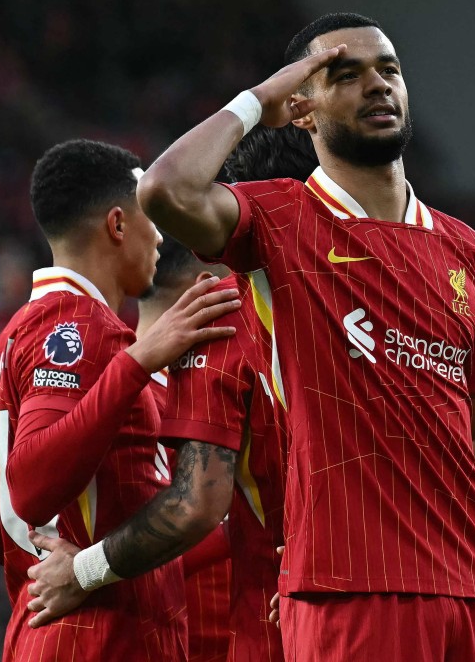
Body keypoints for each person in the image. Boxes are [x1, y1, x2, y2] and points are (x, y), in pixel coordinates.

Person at [135, 11, 475, 661]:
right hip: (349, 594)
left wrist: (423, 528)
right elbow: (166, 190)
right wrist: (259, 100)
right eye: (346, 75)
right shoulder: (279, 218)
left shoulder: (470, 254)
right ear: (305, 110)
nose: (377, 85)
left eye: (389, 70)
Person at [25, 126, 319, 662]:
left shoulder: (91, 369)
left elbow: (193, 509)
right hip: (257, 626)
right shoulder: (220, 342)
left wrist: (85, 569)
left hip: (225, 630)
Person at [0, 139, 239, 661]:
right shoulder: (81, 328)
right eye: (150, 219)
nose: (160, 236)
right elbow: (29, 487)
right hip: (100, 637)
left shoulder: (9, 339)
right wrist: (136, 364)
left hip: (51, 630)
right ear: (118, 225)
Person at [137, 239, 233, 662]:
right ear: (209, 287)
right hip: (189, 644)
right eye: (242, 282)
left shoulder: (107, 391)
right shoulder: (137, 402)